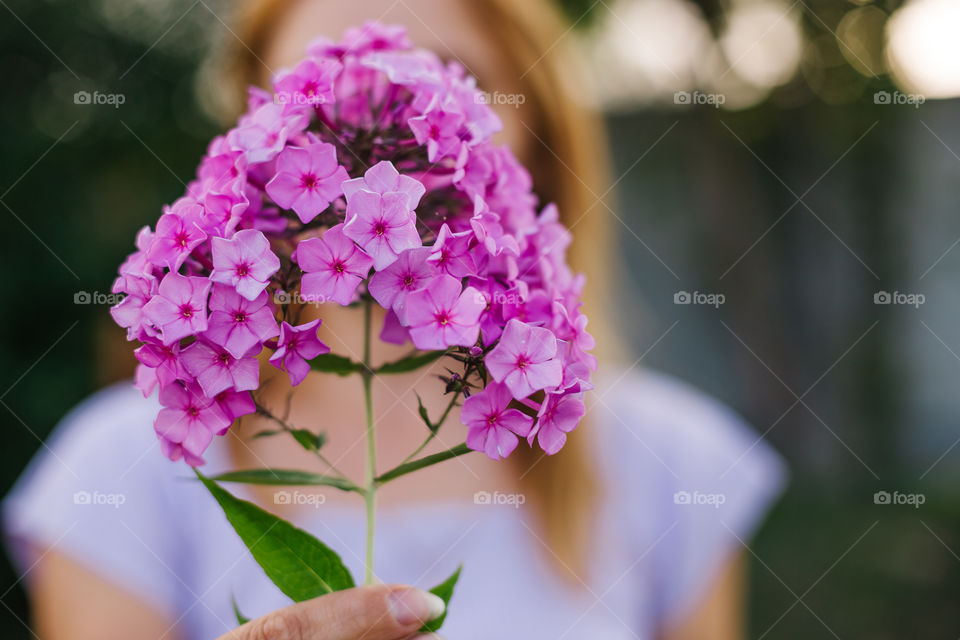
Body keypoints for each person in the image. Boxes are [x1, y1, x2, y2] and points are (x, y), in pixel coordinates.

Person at [3, 1, 786, 639]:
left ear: (533, 140)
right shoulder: (120, 471)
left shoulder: (670, 462)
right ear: (252, 142)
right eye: (328, 86)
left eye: (458, 80)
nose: (394, 125)